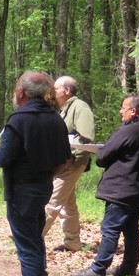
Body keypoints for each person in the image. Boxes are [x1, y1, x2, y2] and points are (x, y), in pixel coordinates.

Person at [0, 71, 71, 276]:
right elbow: (65, 160)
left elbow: (3, 158)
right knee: (34, 243)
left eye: (16, 88)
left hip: (22, 190)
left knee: (28, 248)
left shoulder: (20, 119)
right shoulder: (55, 119)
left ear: (22, 92)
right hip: (43, 186)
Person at [71, 94, 139, 276]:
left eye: (123, 108)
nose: (121, 111)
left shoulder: (127, 131)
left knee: (110, 228)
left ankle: (99, 268)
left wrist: (100, 150)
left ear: (133, 111)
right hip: (137, 190)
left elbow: (103, 158)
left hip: (121, 190)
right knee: (131, 229)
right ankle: (128, 267)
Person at [43, 76, 96, 252]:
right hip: (61, 162)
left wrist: (69, 156)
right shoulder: (63, 108)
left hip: (72, 162)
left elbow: (86, 137)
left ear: (67, 91)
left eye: (56, 88)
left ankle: (32, 236)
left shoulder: (80, 107)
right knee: (68, 204)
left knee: (53, 200)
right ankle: (73, 242)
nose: (53, 91)